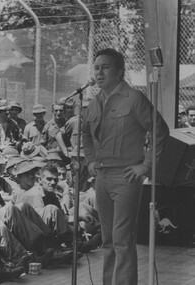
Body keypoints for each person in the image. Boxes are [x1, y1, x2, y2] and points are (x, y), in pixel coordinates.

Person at [82, 48, 169, 285]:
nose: (99, 72)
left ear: (120, 72)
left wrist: (145, 166)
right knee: (108, 239)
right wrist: (89, 160)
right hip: (101, 176)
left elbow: (159, 131)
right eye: (97, 67)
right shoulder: (94, 102)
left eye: (106, 67)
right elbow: (86, 134)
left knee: (122, 239)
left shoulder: (134, 99)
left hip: (126, 177)